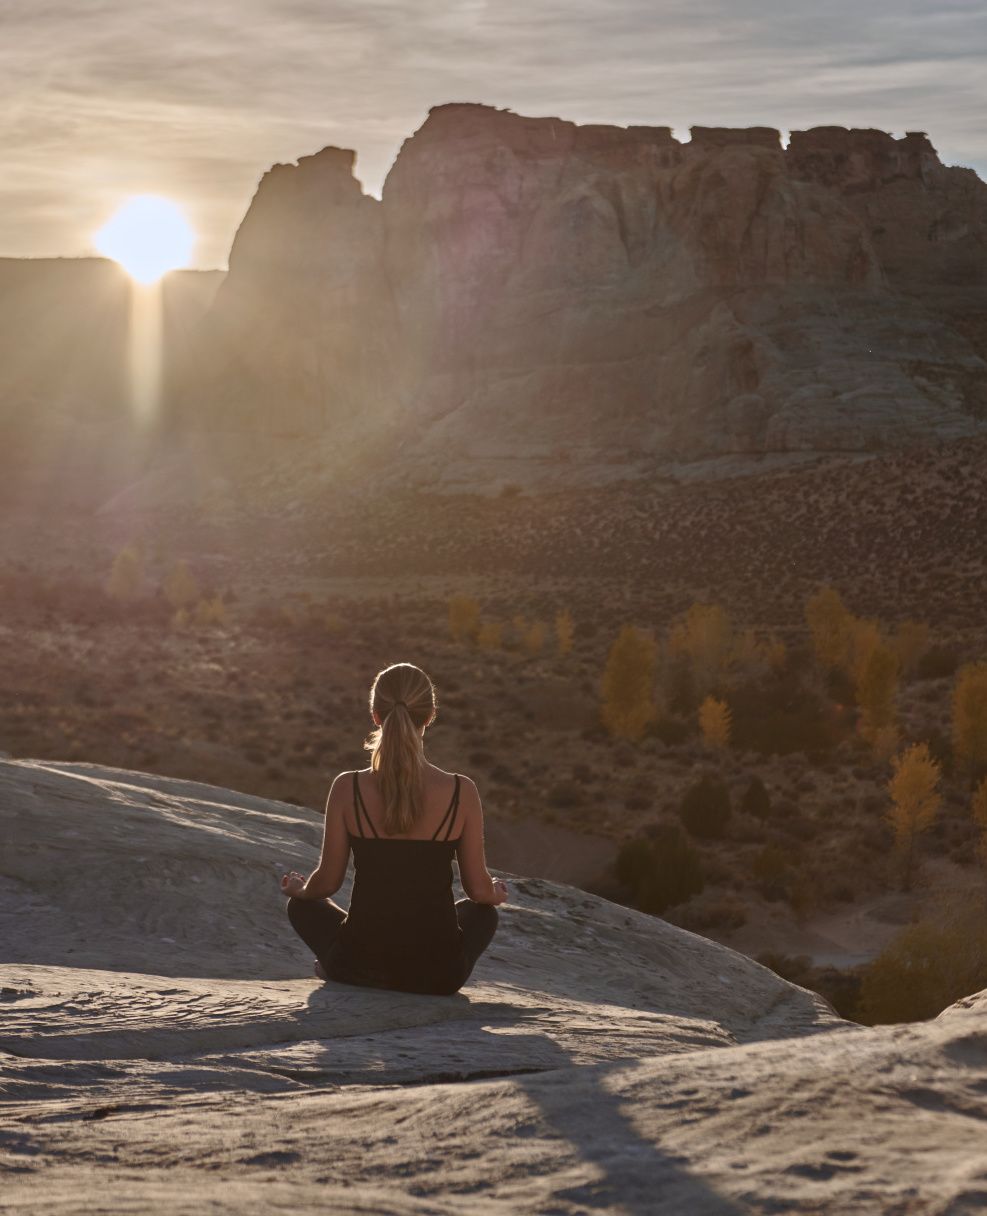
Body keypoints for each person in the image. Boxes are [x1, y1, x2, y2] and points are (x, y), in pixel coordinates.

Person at [281, 661, 507, 995]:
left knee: (301, 907)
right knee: (483, 914)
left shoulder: (348, 788)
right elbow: (478, 891)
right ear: (430, 716)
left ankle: (333, 965)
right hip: (439, 975)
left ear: (375, 715)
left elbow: (326, 883)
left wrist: (299, 891)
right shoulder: (462, 791)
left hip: (358, 965)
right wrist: (495, 894)